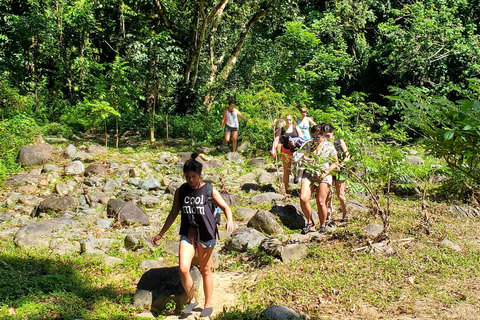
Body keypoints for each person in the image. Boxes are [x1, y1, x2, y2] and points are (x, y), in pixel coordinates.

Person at [151, 153, 235, 317]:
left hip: (206, 234)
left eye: (193, 176)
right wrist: (161, 233)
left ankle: (208, 304)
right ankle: (192, 300)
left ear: (199, 175)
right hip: (187, 234)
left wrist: (229, 219)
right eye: (188, 176)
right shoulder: (181, 191)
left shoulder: (209, 189)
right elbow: (174, 212)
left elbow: (226, 207)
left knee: (205, 271)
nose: (190, 180)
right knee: (183, 268)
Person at [299, 124, 338, 234]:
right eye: (313, 137)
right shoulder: (308, 145)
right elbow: (301, 157)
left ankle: (322, 224)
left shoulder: (329, 146)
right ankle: (310, 221)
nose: (315, 140)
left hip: (323, 175)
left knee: (321, 202)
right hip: (309, 174)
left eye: (318, 137)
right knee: (303, 198)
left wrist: (326, 172)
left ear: (322, 136)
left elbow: (335, 162)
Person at [270, 114, 304, 194]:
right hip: (286, 151)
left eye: (290, 120)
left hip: (296, 152)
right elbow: (276, 139)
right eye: (287, 120)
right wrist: (273, 149)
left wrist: (296, 141)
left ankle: (301, 188)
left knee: (299, 170)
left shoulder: (296, 128)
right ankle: (285, 189)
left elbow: (302, 139)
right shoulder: (281, 129)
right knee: (286, 171)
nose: (288, 121)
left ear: (292, 120)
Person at [324, 124, 351, 222]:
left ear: (332, 133)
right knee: (329, 194)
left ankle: (345, 214)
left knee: (340, 195)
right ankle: (328, 217)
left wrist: (342, 164)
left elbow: (347, 155)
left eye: (328, 135)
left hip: (340, 170)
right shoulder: (324, 143)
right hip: (329, 170)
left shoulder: (340, 142)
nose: (326, 138)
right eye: (324, 136)